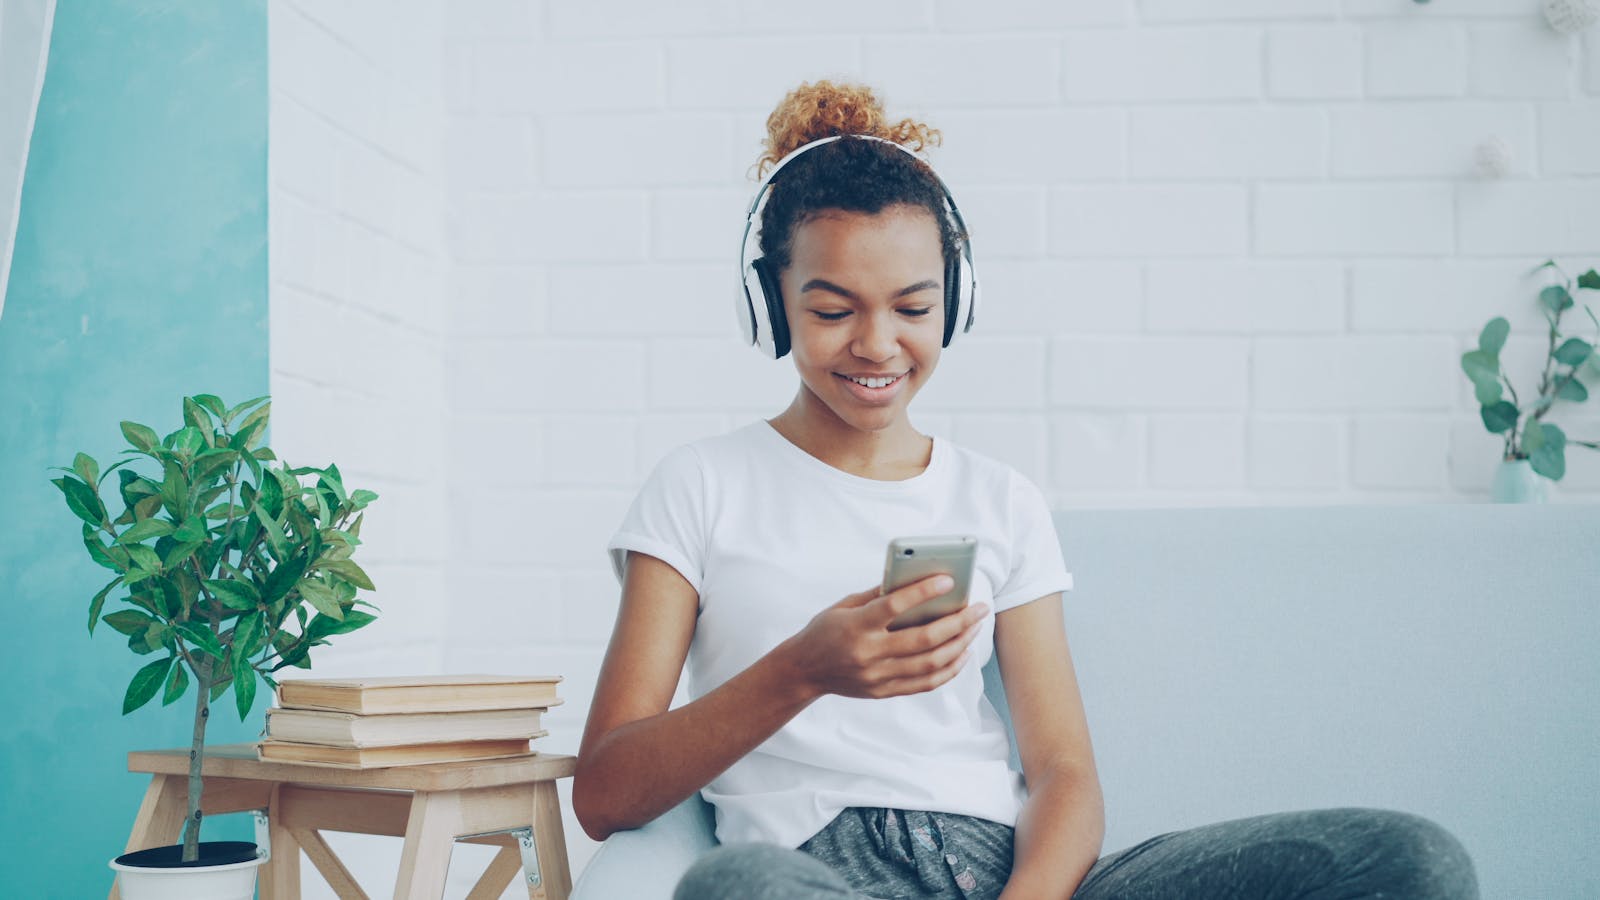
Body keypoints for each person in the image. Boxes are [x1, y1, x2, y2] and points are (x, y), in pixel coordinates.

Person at [571, 80, 1479, 900]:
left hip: (1015, 872)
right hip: (818, 874)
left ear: (955, 304)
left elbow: (1065, 774)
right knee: (738, 887)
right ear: (771, 302)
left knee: (1409, 860)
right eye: (833, 309)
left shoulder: (999, 498)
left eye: (914, 308)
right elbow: (607, 792)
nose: (878, 345)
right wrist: (803, 672)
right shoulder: (699, 486)